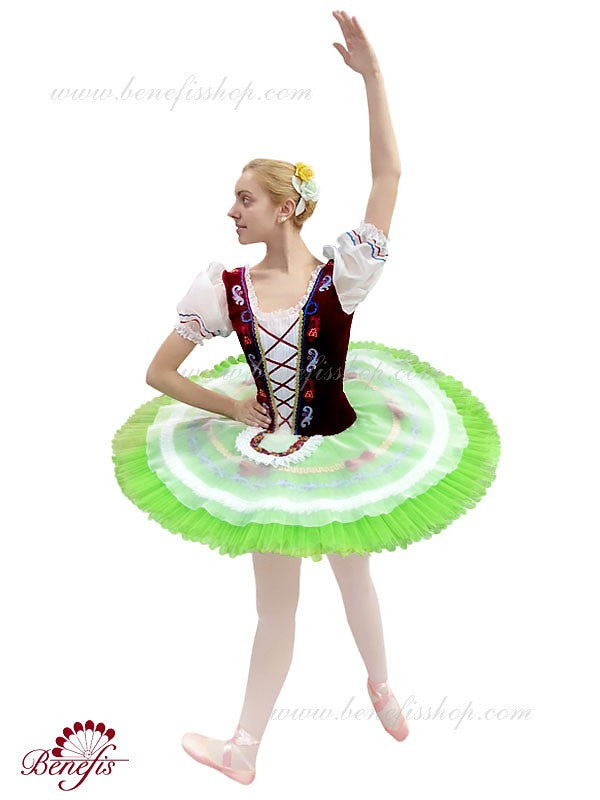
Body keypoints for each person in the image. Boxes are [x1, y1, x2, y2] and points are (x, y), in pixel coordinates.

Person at [111, 10, 500, 786]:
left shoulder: (341, 275)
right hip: (265, 461)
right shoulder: (224, 289)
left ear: (284, 206)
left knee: (355, 575)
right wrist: (231, 408)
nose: (231, 211)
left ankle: (380, 685)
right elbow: (160, 373)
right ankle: (244, 747)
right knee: (275, 607)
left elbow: (388, 179)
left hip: (342, 448)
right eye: (233, 200)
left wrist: (373, 78)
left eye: (244, 199)